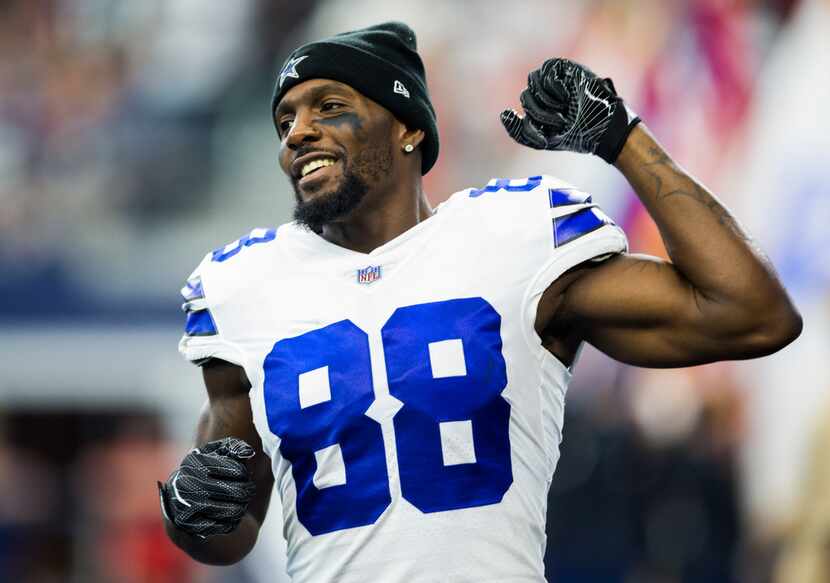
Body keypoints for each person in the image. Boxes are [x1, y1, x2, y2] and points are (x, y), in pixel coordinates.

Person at [157, 21, 801, 583]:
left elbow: (752, 314)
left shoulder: (515, 240)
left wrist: (622, 140)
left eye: (328, 106)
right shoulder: (244, 286)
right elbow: (227, 528)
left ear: (407, 127)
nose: (298, 133)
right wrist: (191, 515)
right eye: (285, 120)